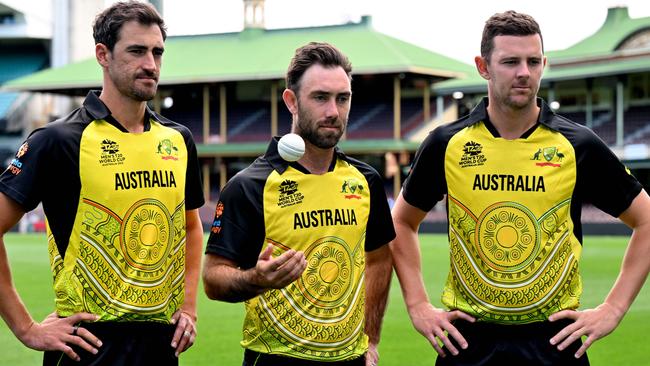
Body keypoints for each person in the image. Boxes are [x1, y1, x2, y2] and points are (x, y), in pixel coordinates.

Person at [390, 10, 650, 366]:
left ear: (544, 64)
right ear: (483, 66)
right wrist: (418, 305)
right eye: (510, 62)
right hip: (468, 344)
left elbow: (647, 220)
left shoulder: (578, 145)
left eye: (533, 61)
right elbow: (401, 222)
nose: (524, 73)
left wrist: (613, 309)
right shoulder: (446, 143)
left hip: (555, 343)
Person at [0, 1, 204, 365]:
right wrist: (27, 329)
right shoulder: (57, 140)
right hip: (87, 347)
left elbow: (191, 226)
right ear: (102, 55)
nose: (151, 65)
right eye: (137, 51)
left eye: (157, 52)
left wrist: (189, 307)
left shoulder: (178, 139)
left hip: (161, 346)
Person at [202, 42, 395, 366]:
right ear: (291, 101)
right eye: (320, 97)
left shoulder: (366, 180)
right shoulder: (249, 186)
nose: (333, 111)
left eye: (342, 98)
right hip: (274, 358)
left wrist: (370, 339)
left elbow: (378, 259)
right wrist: (257, 280)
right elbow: (213, 278)